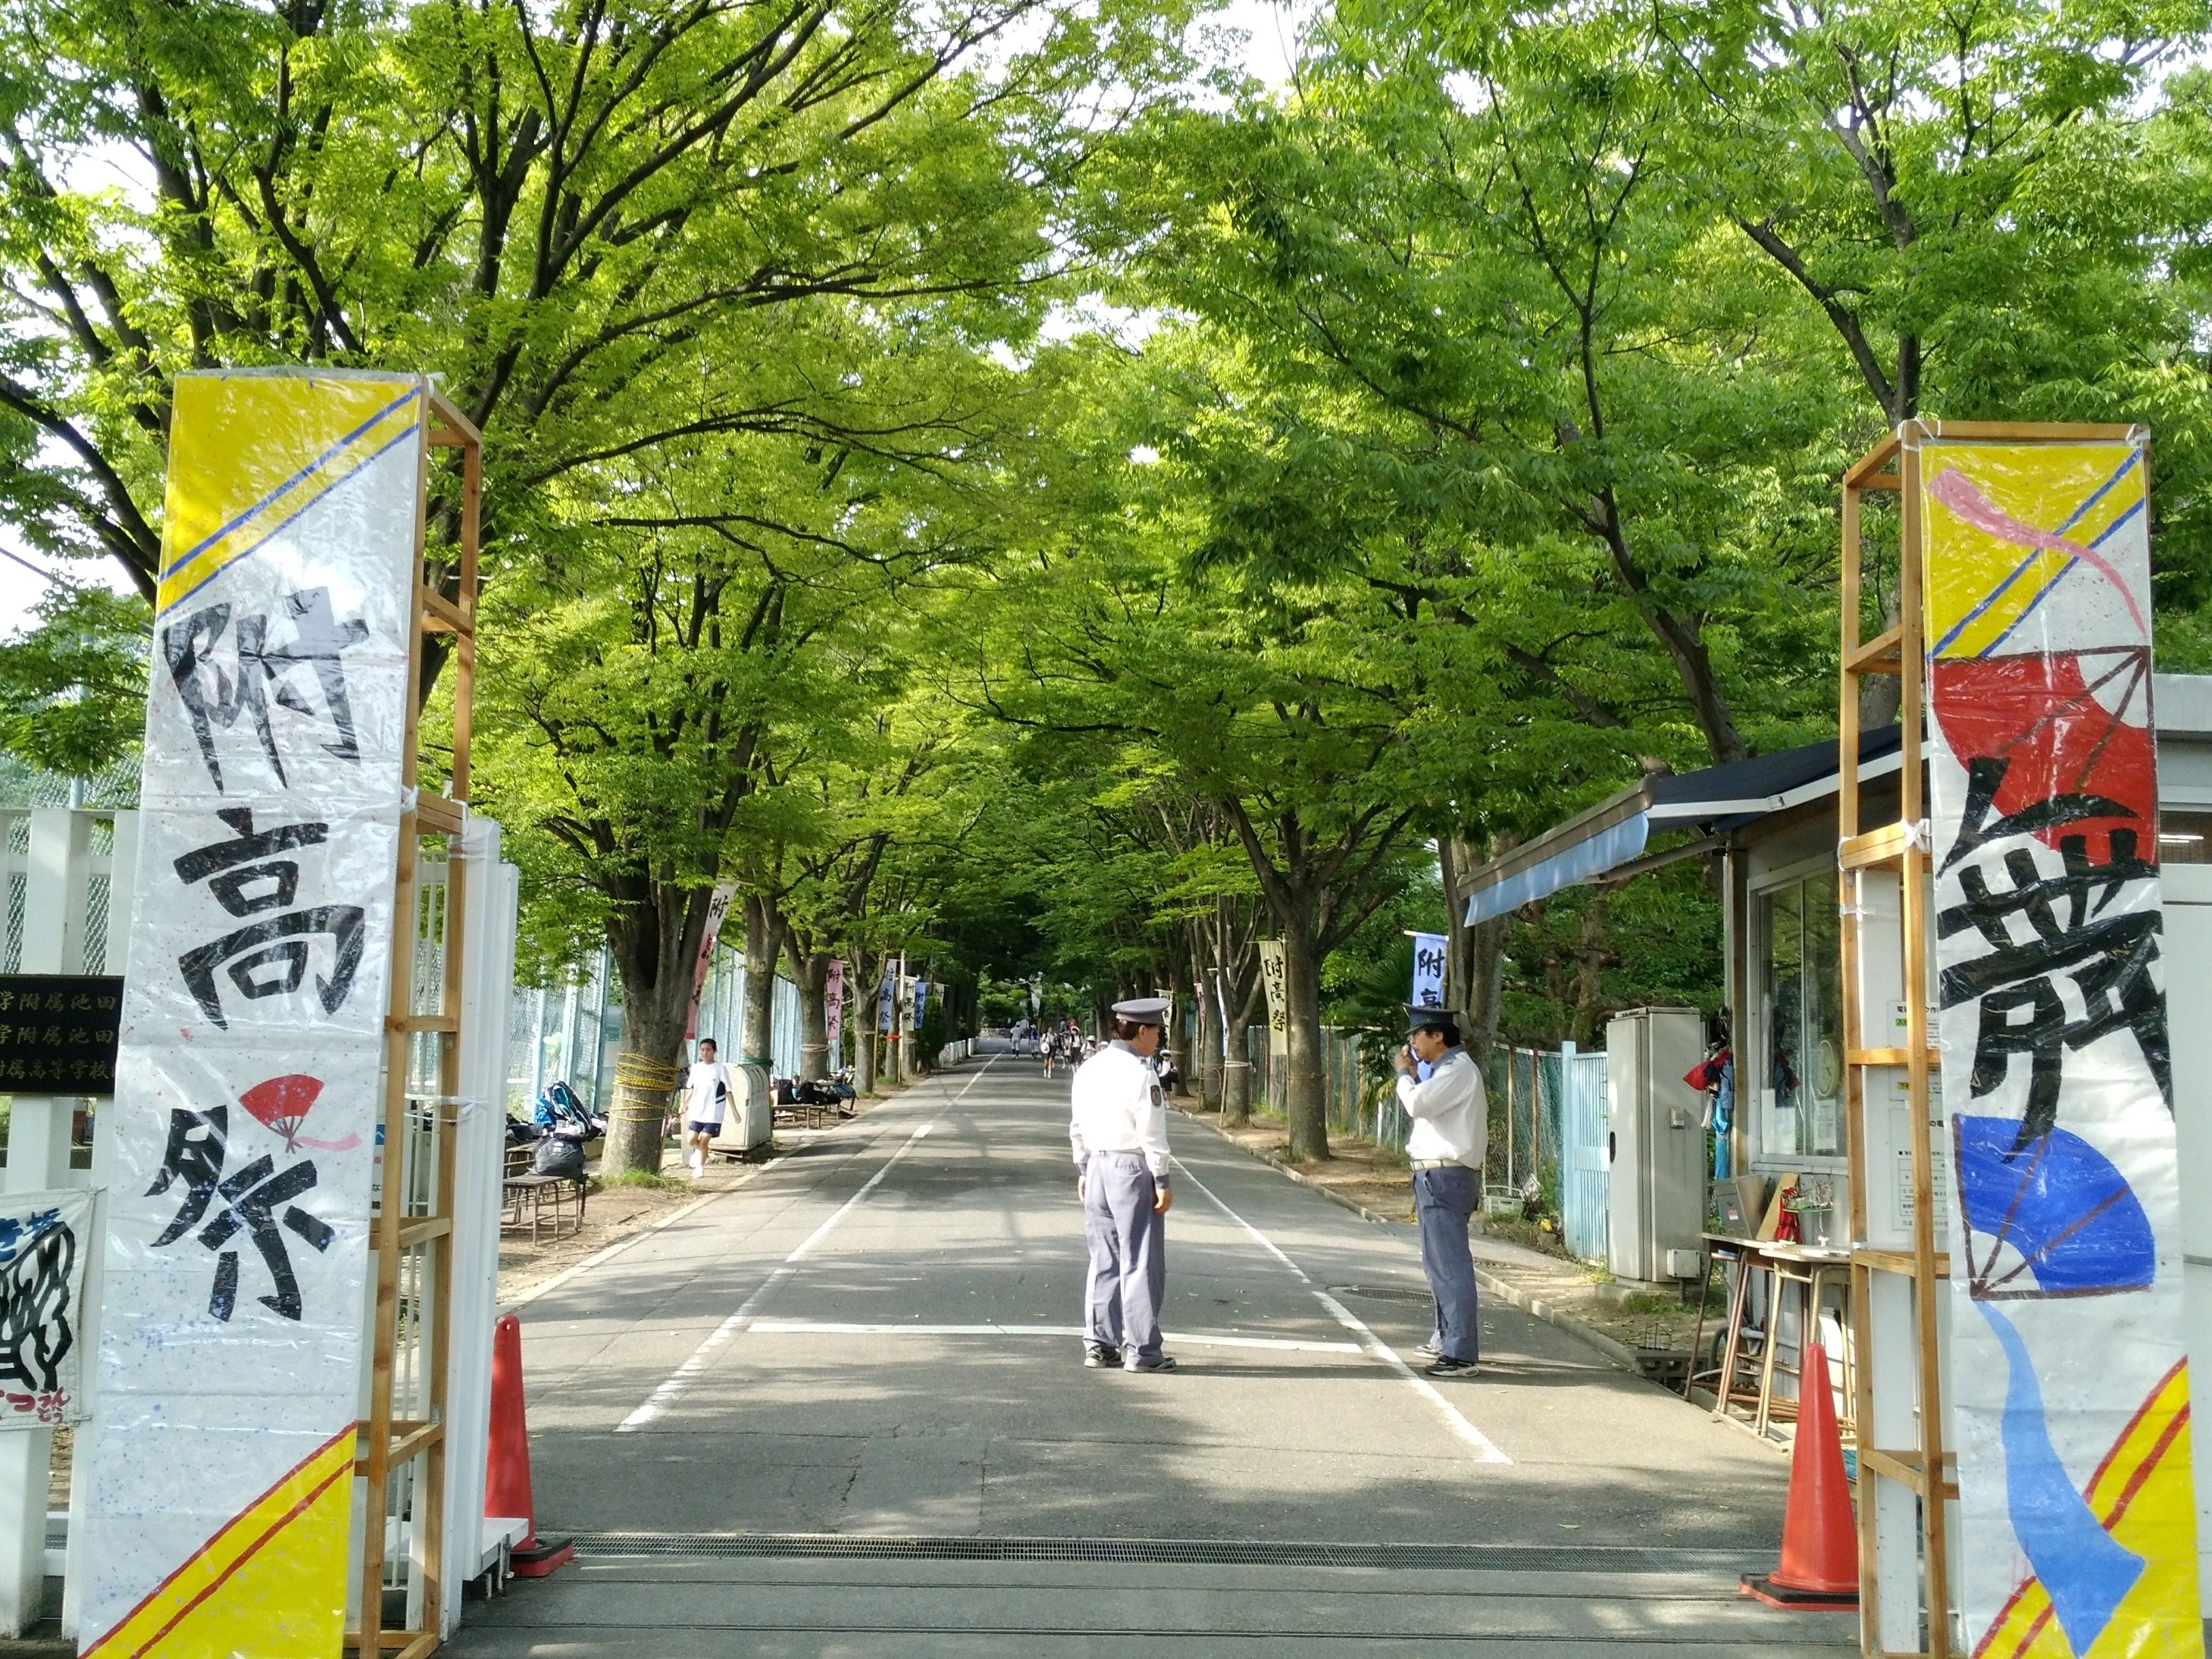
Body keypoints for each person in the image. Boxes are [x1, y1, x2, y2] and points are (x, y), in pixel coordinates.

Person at [1070, 996, 1176, 1372]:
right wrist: (1161, 1177)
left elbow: (1077, 1125)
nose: (1158, 1038)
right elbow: (1151, 1131)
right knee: (1140, 1259)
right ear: (1142, 1031)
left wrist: (1082, 1168)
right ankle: (1143, 1350)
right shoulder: (1141, 1073)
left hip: (1096, 1165)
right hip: (1131, 1167)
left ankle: (1099, 1343)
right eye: (1157, 1031)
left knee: (1105, 1258)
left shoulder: (1088, 1068)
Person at [1394, 1005, 1487, 1378]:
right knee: (1438, 1265)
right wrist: (1414, 1076)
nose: (1413, 1042)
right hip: (1436, 1177)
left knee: (1450, 1266)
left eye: (1417, 1035)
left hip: (1446, 1178)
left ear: (1438, 1036)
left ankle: (1461, 1352)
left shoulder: (1457, 1070)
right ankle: (1446, 1337)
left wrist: (1404, 1074)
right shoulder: (1446, 1072)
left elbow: (1416, 1104)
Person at [681, 1037, 733, 1178]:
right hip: (697, 1110)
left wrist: (735, 1112)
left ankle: (700, 1168)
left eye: (708, 1050)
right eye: (703, 1050)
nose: (705, 1053)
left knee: (704, 1140)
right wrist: (684, 1105)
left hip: (714, 1112)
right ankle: (701, 1151)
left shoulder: (720, 1069)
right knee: (692, 1140)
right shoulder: (696, 1068)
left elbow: (728, 1090)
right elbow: (691, 1089)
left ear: (714, 1052)